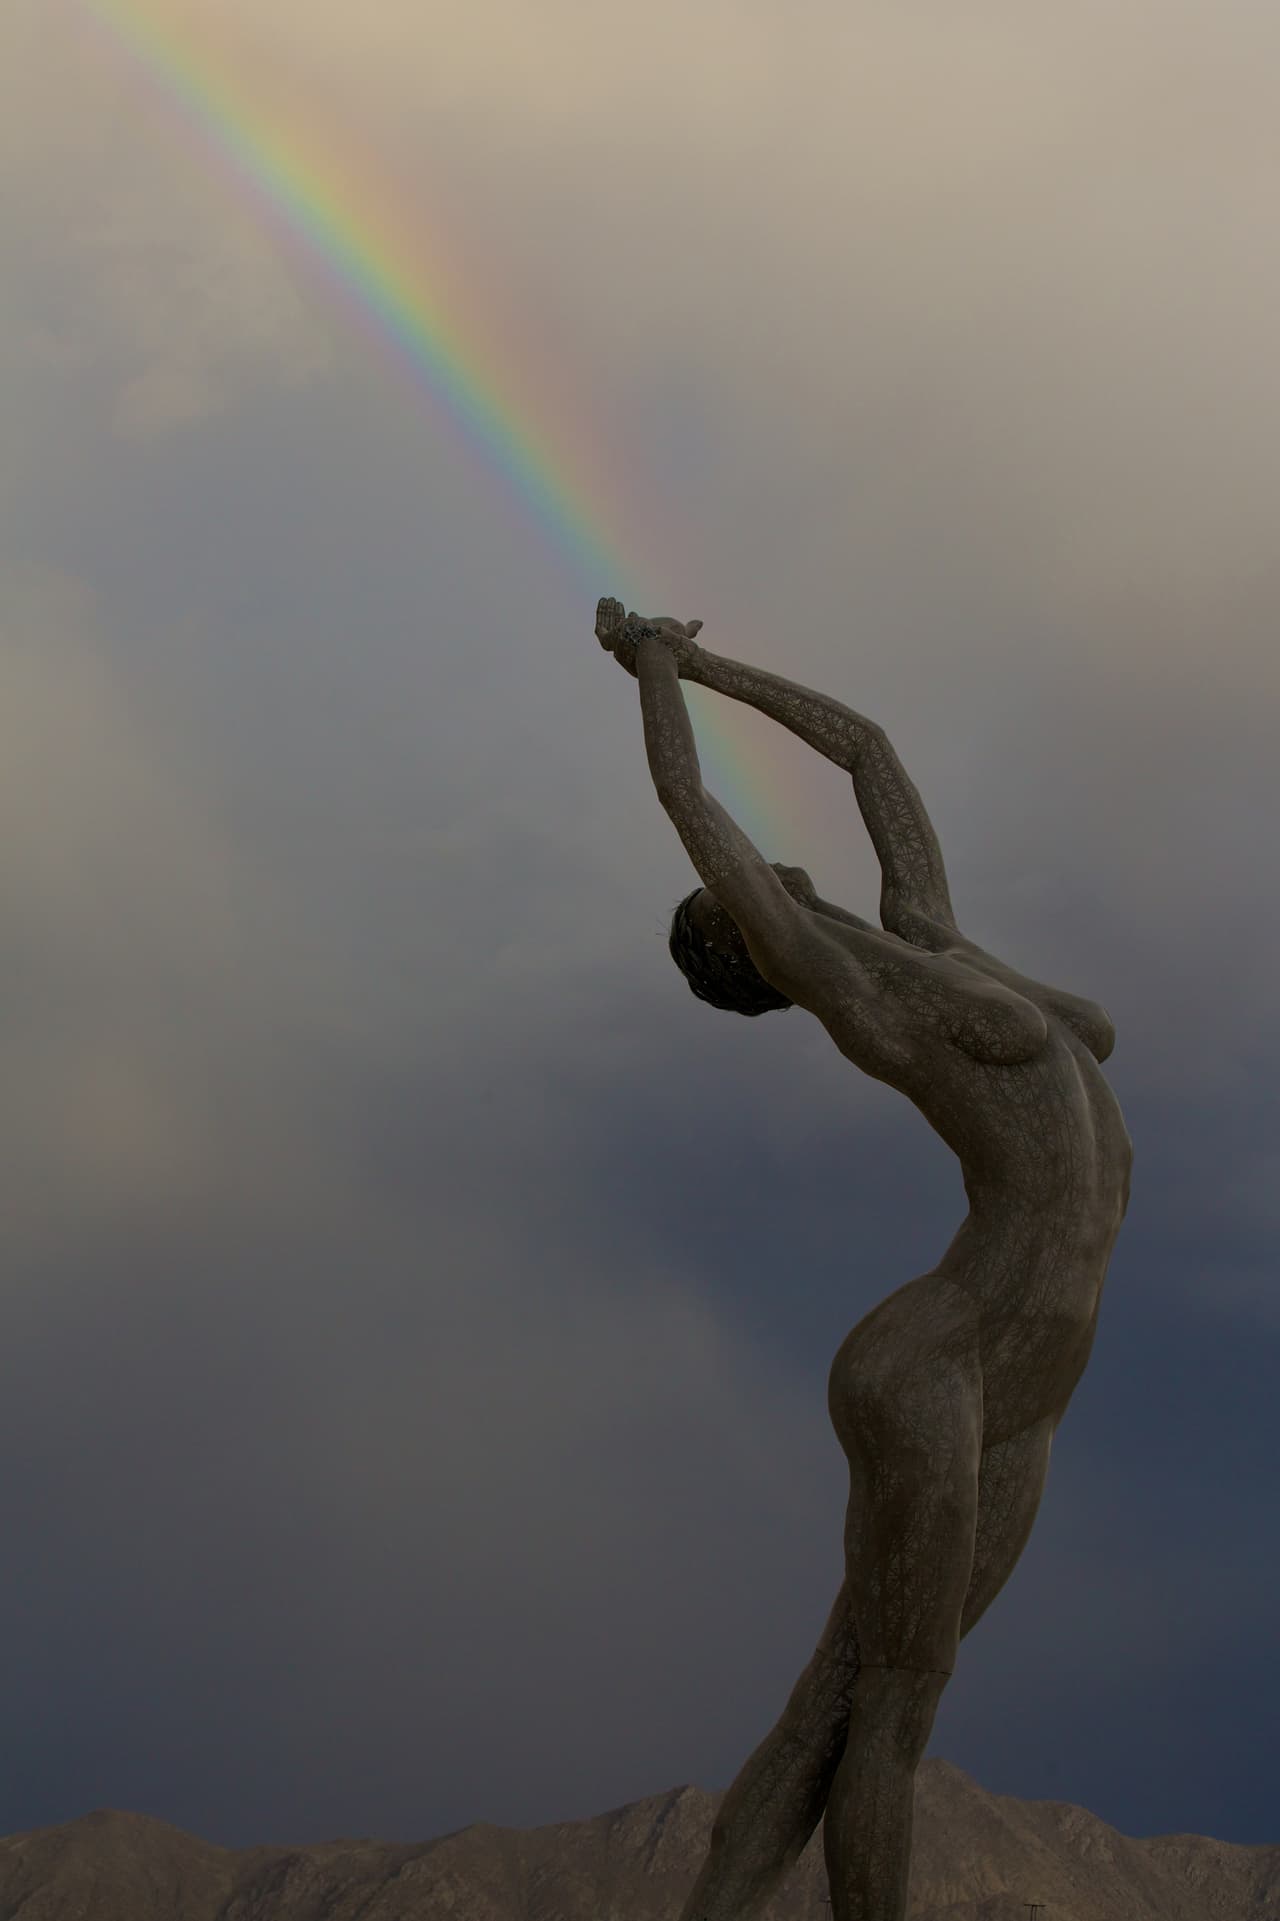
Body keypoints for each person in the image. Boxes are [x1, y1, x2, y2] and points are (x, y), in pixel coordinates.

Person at [594, 598, 1132, 1921]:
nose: (771, 863)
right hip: (934, 1367)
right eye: (747, 886)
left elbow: (873, 756)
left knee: (846, 1700)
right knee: (895, 1711)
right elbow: (685, 798)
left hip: (1025, 1393)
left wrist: (713, 658)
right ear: (746, 930)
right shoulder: (856, 983)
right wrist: (654, 668)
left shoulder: (921, 930)